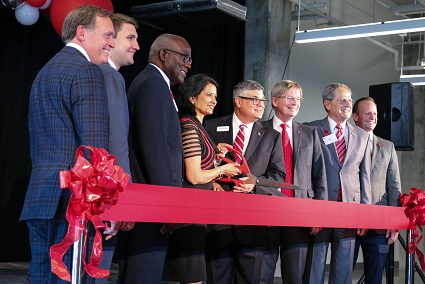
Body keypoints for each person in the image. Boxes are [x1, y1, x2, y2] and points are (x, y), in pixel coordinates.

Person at [19, 5, 115, 283]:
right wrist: (103, 207)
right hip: (72, 205)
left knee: (40, 278)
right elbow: (94, 150)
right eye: (107, 34)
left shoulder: (44, 73)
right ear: (82, 33)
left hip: (40, 198)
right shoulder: (87, 71)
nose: (111, 42)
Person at [118, 33, 192, 283]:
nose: (188, 64)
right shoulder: (153, 84)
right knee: (143, 273)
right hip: (150, 203)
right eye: (185, 57)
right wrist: (168, 205)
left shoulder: (156, 84)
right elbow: (156, 150)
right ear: (163, 55)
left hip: (148, 200)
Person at [204, 80, 286, 284]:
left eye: (263, 100)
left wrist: (255, 183)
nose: (261, 104)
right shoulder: (211, 126)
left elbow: (278, 175)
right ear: (238, 101)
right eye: (255, 99)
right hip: (218, 220)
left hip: (253, 223)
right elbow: (199, 165)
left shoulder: (271, 136)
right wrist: (211, 180)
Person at [163, 73, 241, 284]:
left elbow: (200, 159)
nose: (214, 100)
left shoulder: (197, 125)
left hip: (198, 209)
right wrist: (223, 170)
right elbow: (194, 175)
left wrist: (215, 152)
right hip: (190, 211)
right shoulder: (189, 125)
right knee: (193, 277)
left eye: (215, 96)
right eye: (208, 95)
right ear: (191, 97)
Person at [88, 13, 140, 283]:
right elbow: (115, 142)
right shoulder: (110, 76)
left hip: (87, 192)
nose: (136, 45)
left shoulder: (93, 72)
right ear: (110, 38)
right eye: (130, 37)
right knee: (97, 271)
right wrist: (122, 202)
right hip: (106, 197)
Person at [304, 83, 372, 284]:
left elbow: (364, 177)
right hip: (320, 209)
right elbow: (305, 173)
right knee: (314, 269)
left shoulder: (362, 135)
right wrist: (309, 210)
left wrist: (364, 214)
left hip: (349, 212)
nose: (348, 104)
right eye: (342, 100)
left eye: (350, 100)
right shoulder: (311, 130)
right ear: (327, 103)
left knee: (343, 271)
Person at [261, 80, 327, 284]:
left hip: (298, 213)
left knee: (295, 277)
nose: (295, 103)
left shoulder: (310, 133)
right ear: (274, 100)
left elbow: (320, 176)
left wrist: (318, 213)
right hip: (266, 213)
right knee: (262, 274)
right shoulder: (259, 130)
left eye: (298, 99)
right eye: (290, 97)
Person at [352, 97, 401, 283]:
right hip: (350, 223)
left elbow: (394, 186)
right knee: (342, 274)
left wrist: (394, 221)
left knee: (375, 279)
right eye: (367, 113)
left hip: (379, 226)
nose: (373, 117)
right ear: (355, 116)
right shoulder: (345, 143)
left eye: (375, 113)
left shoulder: (387, 147)